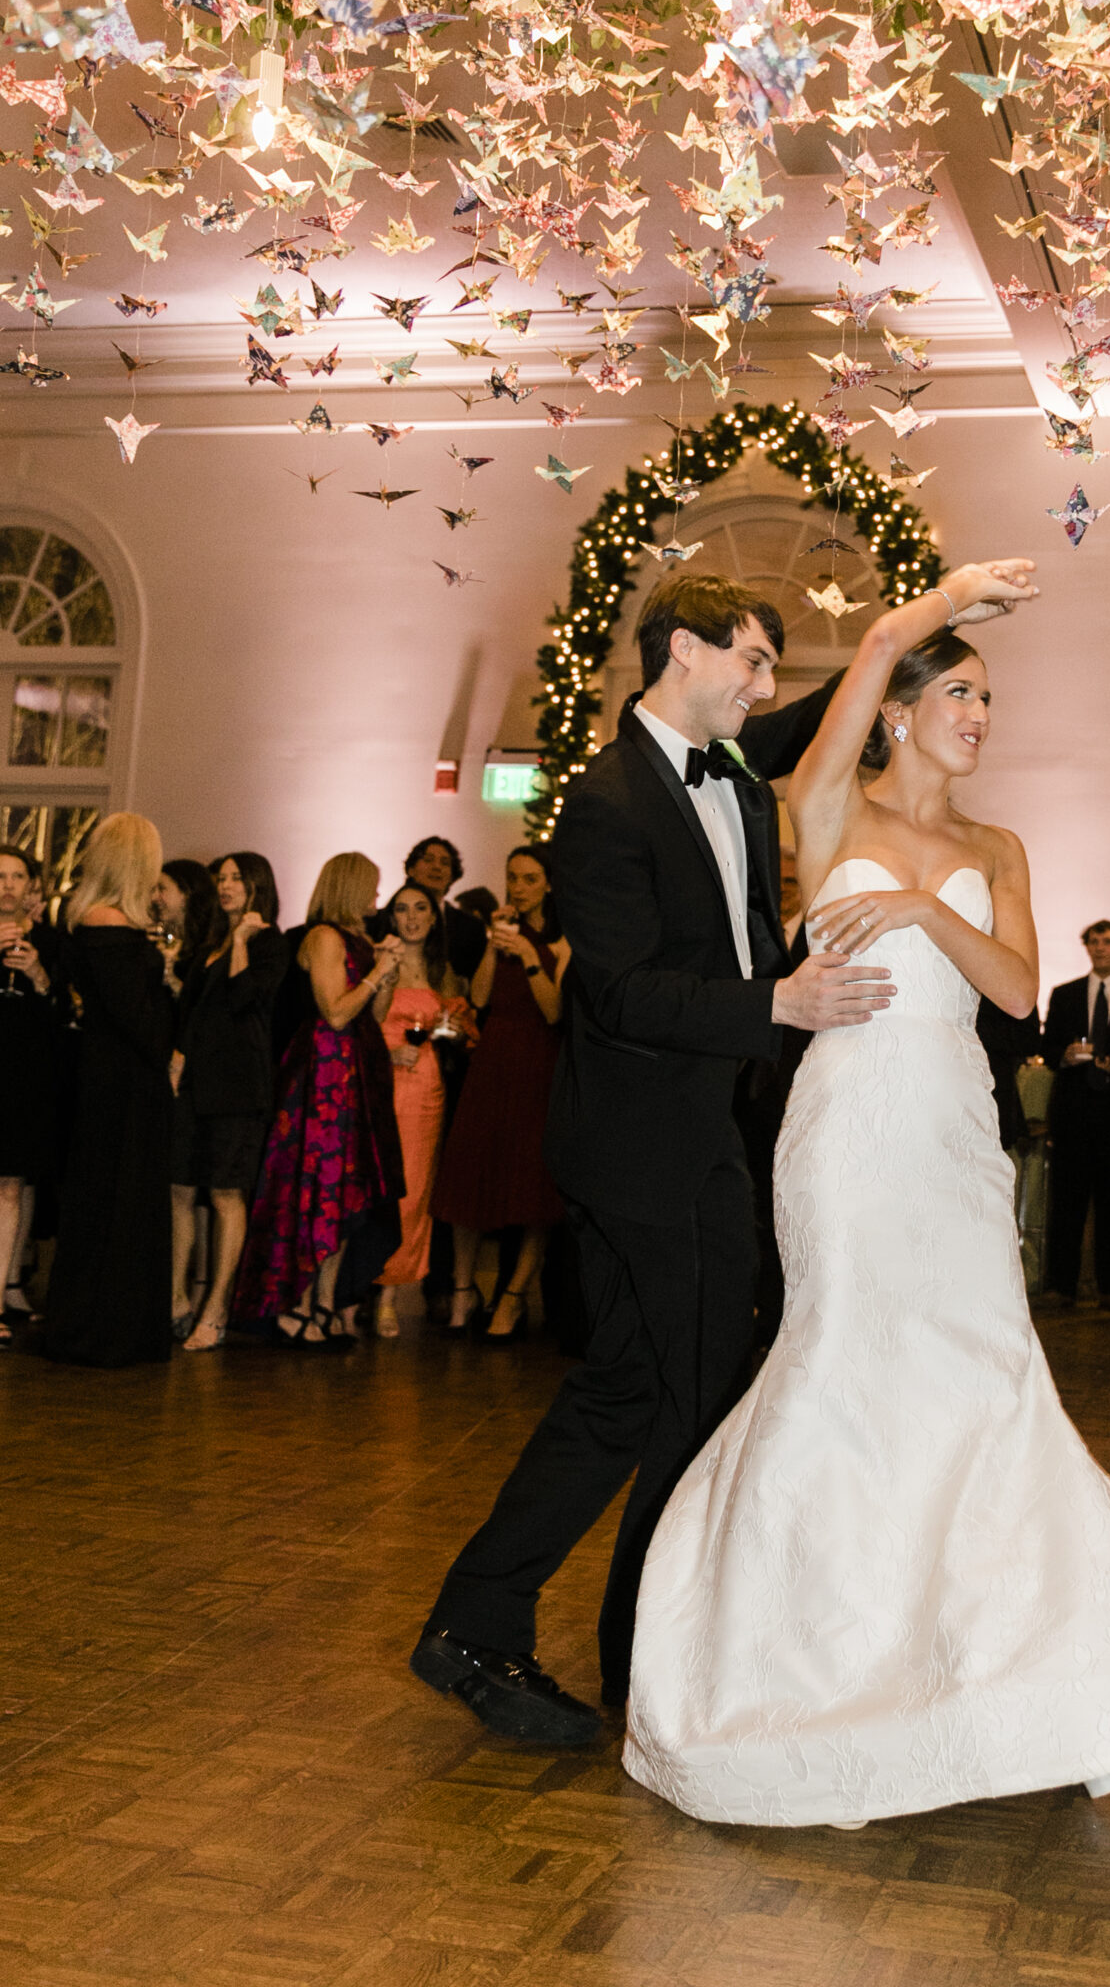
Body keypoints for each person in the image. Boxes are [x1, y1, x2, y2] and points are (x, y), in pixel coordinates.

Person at [622, 562, 1110, 1829]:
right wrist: (924, 611)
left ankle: (1021, 1674)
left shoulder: (996, 846)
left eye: (987, 696)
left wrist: (921, 908)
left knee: (985, 1384)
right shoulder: (821, 812)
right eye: (958, 691)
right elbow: (850, 697)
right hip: (847, 1129)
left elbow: (1021, 991)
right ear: (899, 710)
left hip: (955, 1129)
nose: (980, 713)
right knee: (844, 1369)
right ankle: (815, 1680)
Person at [412, 570, 888, 1746]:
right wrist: (777, 1001)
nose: (764, 687)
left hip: (688, 1134)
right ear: (684, 650)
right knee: (699, 1388)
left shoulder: (724, 765)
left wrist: (908, 631)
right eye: (751, 662)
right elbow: (616, 992)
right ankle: (650, 1665)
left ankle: (477, 1621)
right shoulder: (608, 800)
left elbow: (817, 718)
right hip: (645, 1148)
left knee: (629, 1387)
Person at [230, 852, 405, 1350]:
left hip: (357, 1074)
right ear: (349, 887)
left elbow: (375, 1013)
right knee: (316, 1188)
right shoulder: (324, 937)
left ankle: (324, 1303)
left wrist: (387, 974)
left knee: (347, 1192)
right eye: (370, 886)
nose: (378, 896)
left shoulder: (361, 940)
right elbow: (334, 1013)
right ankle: (296, 1304)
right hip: (325, 1074)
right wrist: (376, 974)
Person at [42, 814, 175, 1368]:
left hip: (107, 1072)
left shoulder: (93, 923)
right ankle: (107, 1329)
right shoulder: (111, 927)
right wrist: (168, 1052)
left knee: (107, 1194)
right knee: (120, 1196)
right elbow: (133, 1015)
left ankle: (93, 1322)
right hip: (126, 1078)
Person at [430, 846, 568, 1339]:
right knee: (470, 1174)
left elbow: (555, 1011)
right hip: (492, 1059)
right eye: (513, 877)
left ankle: (512, 1299)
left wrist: (531, 955)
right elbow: (482, 998)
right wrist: (493, 943)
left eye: (530, 879)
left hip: (538, 1060)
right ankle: (464, 1291)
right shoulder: (499, 930)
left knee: (534, 1187)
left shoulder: (562, 938)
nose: (519, 887)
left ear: (549, 884)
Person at [170, 851, 291, 1352]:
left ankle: (216, 1307)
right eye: (221, 879)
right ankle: (174, 1298)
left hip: (240, 1087)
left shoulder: (271, 944)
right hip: (195, 1082)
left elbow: (245, 1000)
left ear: (258, 885)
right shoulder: (210, 944)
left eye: (236, 879)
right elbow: (193, 1010)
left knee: (224, 1195)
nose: (226, 886)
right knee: (177, 1187)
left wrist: (242, 940)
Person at [375, 883, 474, 1339]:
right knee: (375, 1185)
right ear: (391, 917)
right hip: (381, 1082)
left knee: (413, 1191)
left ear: (434, 919)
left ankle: (389, 1298)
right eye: (401, 909)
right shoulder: (382, 959)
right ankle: (357, 1286)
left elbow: (456, 1033)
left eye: (420, 909)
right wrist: (388, 1052)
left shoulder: (444, 972)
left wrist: (452, 1028)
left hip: (426, 1088)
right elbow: (361, 1024)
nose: (411, 917)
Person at [1039, 920, 1110, 1311]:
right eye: (1094, 942)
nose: (1100, 948)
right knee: (1067, 1203)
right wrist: (1063, 1055)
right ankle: (1061, 1286)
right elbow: (1046, 1048)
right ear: (1086, 948)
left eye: (1108, 941)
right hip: (1075, 1112)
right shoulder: (1064, 994)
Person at [0, 844, 66, 1340]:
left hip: (22, 1079)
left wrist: (39, 975)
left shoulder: (50, 940)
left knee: (9, 1187)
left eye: (17, 877)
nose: (7, 885)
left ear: (30, 887)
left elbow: (66, 1016)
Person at [376, 836, 487, 982]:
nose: (437, 867)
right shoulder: (378, 920)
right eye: (428, 860)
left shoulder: (472, 928)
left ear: (452, 875)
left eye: (445, 863)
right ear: (411, 870)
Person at [152, 857, 219, 1003]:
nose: (155, 897)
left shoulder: (209, 946)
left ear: (186, 894)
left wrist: (172, 979)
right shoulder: (161, 937)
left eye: (162, 888)